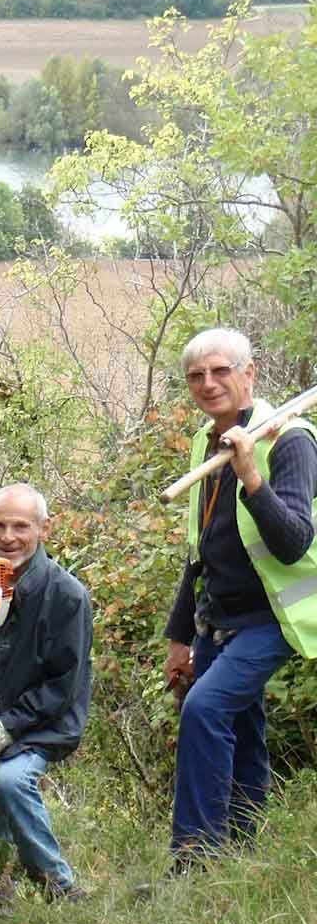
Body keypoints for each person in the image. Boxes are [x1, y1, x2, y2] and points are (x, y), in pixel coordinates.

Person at [163, 327, 317, 860]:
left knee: (204, 711)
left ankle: (194, 857)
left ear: (249, 373)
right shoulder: (205, 444)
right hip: (216, 620)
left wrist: (250, 473)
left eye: (221, 371)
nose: (209, 384)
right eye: (197, 376)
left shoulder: (291, 440)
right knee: (243, 730)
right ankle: (244, 856)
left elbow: (294, 543)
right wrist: (179, 637)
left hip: (271, 619)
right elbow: (197, 550)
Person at [0, 484, 92, 901]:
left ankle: (57, 883)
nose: (8, 536)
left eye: (20, 526)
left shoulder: (66, 595)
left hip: (44, 725)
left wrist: (6, 728)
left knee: (9, 781)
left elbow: (63, 686)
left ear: (43, 529)